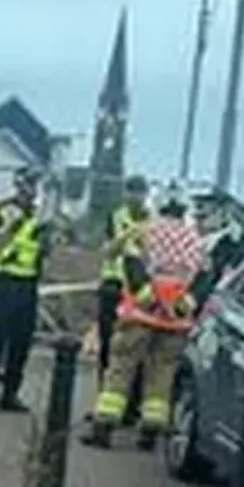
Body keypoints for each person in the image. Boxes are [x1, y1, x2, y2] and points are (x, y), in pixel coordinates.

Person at [82, 183, 205, 451]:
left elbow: (131, 262)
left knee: (121, 369)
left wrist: (147, 294)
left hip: (141, 313)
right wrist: (186, 302)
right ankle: (150, 431)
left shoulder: (146, 232)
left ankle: (104, 426)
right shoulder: (195, 240)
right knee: (162, 374)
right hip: (176, 321)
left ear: (160, 206)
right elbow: (205, 276)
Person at [0, 167, 53, 412]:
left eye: (34, 186)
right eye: (27, 185)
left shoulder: (41, 215)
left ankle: (10, 394)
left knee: (21, 343)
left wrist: (47, 240)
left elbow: (45, 251)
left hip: (28, 285)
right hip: (3, 282)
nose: (31, 191)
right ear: (18, 185)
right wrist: (11, 226)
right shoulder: (3, 209)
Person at [91, 175, 152, 424]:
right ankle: (104, 403)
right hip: (114, 287)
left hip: (141, 291)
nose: (133, 196)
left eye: (138, 192)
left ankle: (131, 407)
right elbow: (107, 251)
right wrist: (126, 237)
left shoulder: (154, 221)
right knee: (109, 347)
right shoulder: (116, 217)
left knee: (137, 348)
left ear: (146, 194)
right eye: (130, 191)